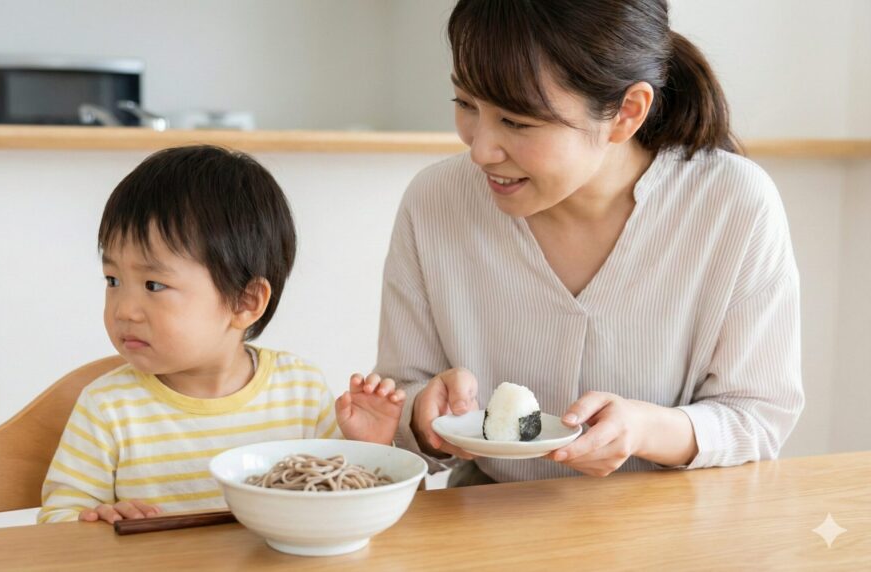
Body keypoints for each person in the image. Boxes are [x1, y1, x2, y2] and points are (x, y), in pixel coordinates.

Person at [375, 0, 804, 486]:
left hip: (665, 533)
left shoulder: (733, 204)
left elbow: (760, 419)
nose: (479, 150)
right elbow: (401, 395)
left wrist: (645, 431)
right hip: (489, 525)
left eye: (517, 122)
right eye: (466, 105)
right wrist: (421, 413)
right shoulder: (435, 201)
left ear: (627, 112)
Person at [39, 146, 404, 524]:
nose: (124, 310)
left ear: (245, 301)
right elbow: (58, 521)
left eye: (153, 284)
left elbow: (346, 502)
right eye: (113, 280)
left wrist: (371, 449)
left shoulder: (300, 391)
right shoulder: (108, 407)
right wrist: (96, 521)